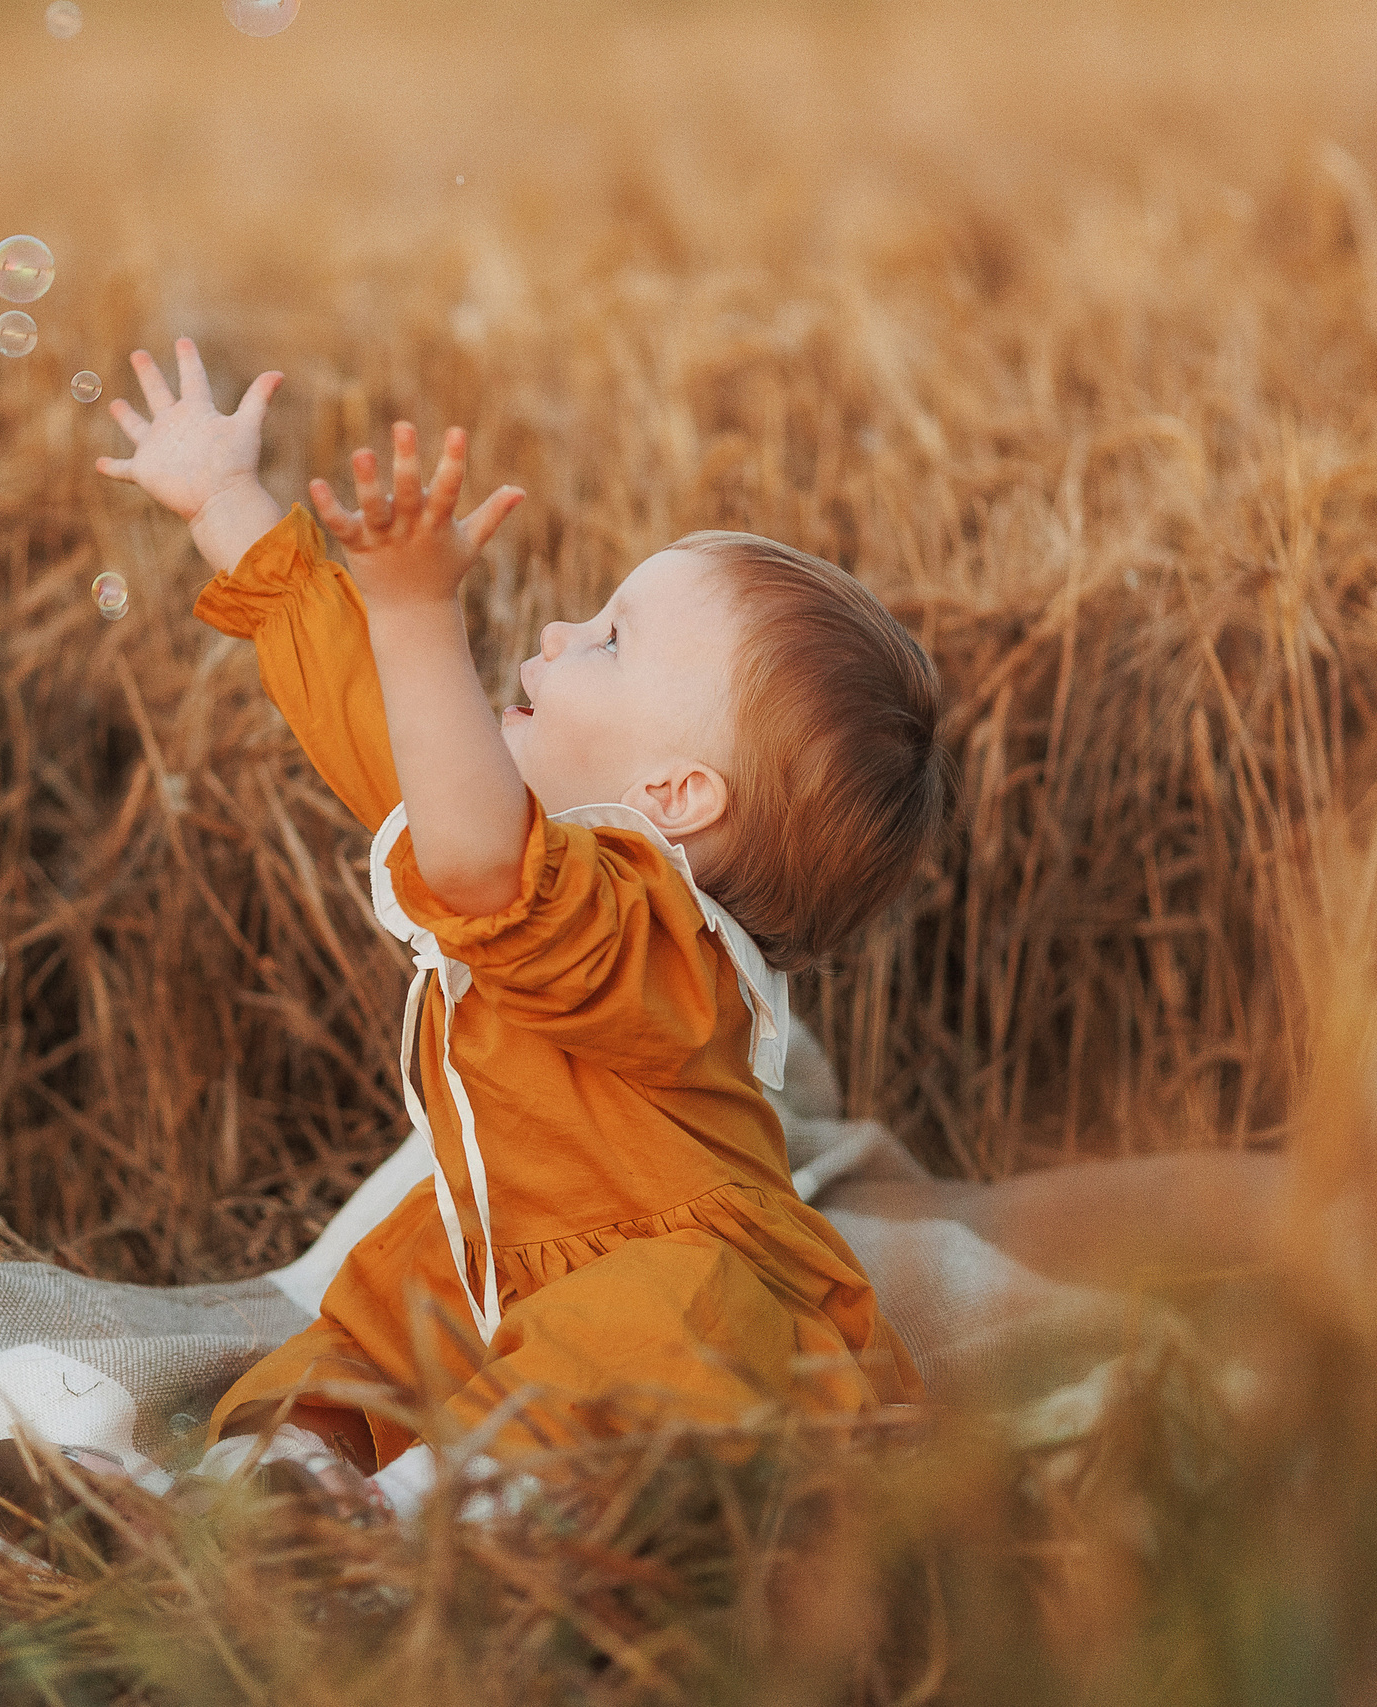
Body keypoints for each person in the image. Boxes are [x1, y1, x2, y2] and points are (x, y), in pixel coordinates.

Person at [90, 339, 954, 1522]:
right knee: (350, 1346)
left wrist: (417, 612)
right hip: (502, 1263)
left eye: (607, 640)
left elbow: (478, 862)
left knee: (658, 1330)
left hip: (675, 1285)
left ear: (675, 797)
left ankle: (415, 1524)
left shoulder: (657, 934)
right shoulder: (500, 834)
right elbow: (360, 696)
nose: (554, 630)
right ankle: (243, 1503)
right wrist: (227, 502)